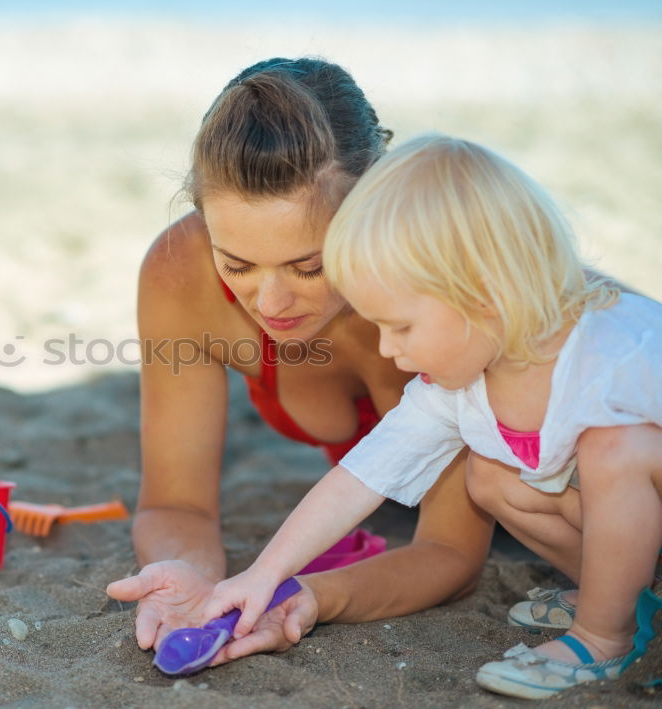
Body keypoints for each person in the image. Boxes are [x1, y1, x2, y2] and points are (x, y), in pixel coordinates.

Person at [202, 133, 662, 699]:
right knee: (490, 479)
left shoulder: (619, 354)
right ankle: (625, 592)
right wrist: (263, 575)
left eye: (402, 327)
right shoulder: (461, 385)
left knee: (616, 450)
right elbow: (360, 477)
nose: (389, 351)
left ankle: (603, 636)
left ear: (485, 295)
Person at [105, 58, 494, 664]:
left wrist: (306, 595)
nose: (272, 302)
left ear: (370, 208)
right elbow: (175, 505)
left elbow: (452, 554)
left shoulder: (422, 300)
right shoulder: (181, 271)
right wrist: (194, 581)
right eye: (236, 265)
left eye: (309, 266)